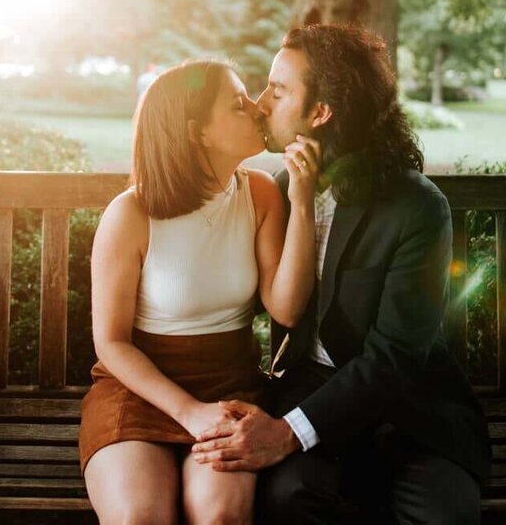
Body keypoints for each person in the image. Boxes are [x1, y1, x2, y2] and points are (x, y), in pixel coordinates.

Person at [191, 25, 492, 524]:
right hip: (309, 391)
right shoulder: (282, 190)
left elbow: (394, 359)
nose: (262, 103)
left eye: (279, 91)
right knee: (285, 499)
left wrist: (289, 433)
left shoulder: (415, 206)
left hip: (409, 414)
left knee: (445, 518)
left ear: (321, 112)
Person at [79, 60, 323, 524]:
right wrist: (188, 412)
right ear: (199, 133)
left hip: (228, 388)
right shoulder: (131, 214)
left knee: (220, 516)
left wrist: (303, 200)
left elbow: (287, 309)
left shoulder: (262, 193)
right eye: (237, 103)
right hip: (139, 393)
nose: (256, 108)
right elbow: (110, 343)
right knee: (141, 517)